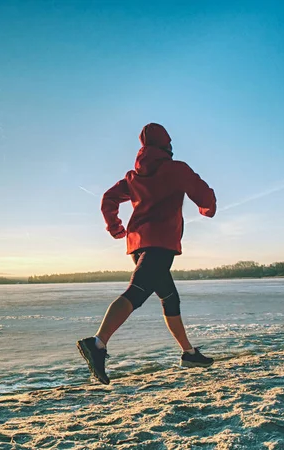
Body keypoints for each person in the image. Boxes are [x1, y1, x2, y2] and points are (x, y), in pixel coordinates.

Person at [77, 123, 217, 385]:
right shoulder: (177, 170)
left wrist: (116, 228)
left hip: (137, 244)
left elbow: (108, 198)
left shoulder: (133, 177)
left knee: (169, 298)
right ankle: (97, 343)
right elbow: (206, 197)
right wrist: (207, 210)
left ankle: (188, 354)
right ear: (167, 145)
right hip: (160, 244)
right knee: (137, 292)